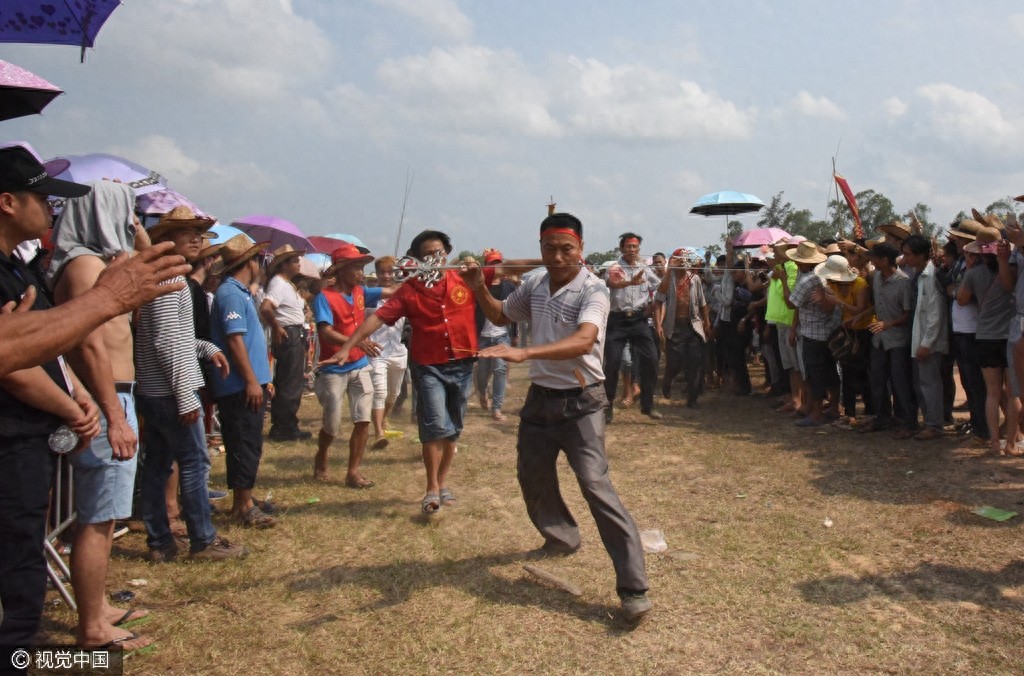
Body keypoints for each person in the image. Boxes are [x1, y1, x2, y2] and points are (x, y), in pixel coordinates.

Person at [461, 212, 652, 625]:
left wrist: (525, 353)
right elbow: (499, 316)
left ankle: (633, 588)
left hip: (582, 403)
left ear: (581, 249)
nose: (559, 255)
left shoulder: (594, 289)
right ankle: (561, 536)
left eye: (567, 248)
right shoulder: (533, 284)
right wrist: (478, 288)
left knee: (595, 484)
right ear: (541, 249)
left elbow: (584, 340)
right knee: (532, 474)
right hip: (539, 400)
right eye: (550, 248)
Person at [0, 145, 105, 656]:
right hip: (11, 438)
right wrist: (71, 408)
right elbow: (11, 361)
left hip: (31, 436)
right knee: (13, 572)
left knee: (25, 554)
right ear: (7, 202)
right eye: (42, 197)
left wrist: (77, 393)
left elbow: (50, 344)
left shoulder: (22, 271)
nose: (51, 208)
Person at [48, 181, 155, 650]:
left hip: (115, 394)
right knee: (95, 518)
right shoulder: (84, 265)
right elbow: (88, 342)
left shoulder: (99, 265)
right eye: (128, 213)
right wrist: (114, 414)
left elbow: (158, 290)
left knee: (107, 516)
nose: (134, 222)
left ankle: (98, 606)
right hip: (105, 396)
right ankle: (92, 627)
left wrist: (141, 246)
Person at [320, 230, 477, 515]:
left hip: (463, 364)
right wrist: (348, 346)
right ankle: (430, 488)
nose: (436, 258)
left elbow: (509, 268)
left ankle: (443, 484)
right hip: (428, 366)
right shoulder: (411, 290)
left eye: (440, 252)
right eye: (428, 254)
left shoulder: (465, 279)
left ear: (448, 253)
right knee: (433, 426)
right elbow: (377, 318)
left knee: (453, 430)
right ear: (418, 260)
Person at [135, 207, 247, 560]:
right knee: (195, 463)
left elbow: (173, 337)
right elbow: (167, 342)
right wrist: (185, 396)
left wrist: (206, 347)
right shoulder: (171, 280)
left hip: (156, 388)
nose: (197, 239)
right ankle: (203, 539)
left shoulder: (165, 276)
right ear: (168, 240)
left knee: (158, 464)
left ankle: (159, 542)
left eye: (199, 233)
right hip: (170, 391)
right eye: (188, 233)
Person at [312, 243, 393, 487]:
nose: (360, 271)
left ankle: (353, 472)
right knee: (332, 424)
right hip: (333, 369)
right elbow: (325, 332)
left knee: (362, 419)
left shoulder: (360, 292)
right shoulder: (324, 298)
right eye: (356, 267)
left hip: (359, 365)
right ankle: (322, 453)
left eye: (361, 266)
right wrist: (356, 342)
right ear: (341, 270)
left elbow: (391, 292)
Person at [209, 234, 276, 528]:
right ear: (250, 262)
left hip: (249, 381)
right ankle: (243, 504)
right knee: (243, 442)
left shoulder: (238, 292)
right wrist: (251, 380)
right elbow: (234, 340)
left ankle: (245, 498)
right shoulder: (231, 294)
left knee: (249, 442)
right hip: (238, 385)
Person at [958, 239, 1017, 455]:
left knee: (992, 393)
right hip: (1011, 336)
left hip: (985, 336)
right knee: (1013, 394)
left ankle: (994, 443)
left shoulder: (974, 273)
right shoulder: (1013, 270)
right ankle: (1011, 443)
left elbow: (962, 299)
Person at [603, 232, 661, 422]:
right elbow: (614, 283)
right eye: (628, 246)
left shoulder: (645, 268)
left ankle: (647, 405)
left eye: (635, 247)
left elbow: (659, 287)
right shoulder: (614, 267)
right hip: (617, 321)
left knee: (652, 359)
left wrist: (653, 306)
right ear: (621, 248)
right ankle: (608, 405)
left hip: (639, 320)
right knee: (611, 364)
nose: (632, 250)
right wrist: (631, 282)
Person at [860, 243, 916, 435]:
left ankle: (909, 422)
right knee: (877, 379)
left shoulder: (903, 281)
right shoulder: (876, 277)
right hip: (880, 338)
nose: (872, 261)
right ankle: (882, 417)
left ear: (884, 260)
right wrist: (862, 315)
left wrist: (887, 324)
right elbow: (878, 304)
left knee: (900, 382)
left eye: (875, 258)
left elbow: (907, 314)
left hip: (898, 339)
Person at [261, 244, 313, 441]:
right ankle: (285, 427)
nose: (298, 263)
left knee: (290, 381)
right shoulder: (278, 283)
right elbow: (266, 307)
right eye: (294, 260)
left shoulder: (286, 284)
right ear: (283, 265)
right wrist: (276, 326)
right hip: (289, 334)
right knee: (289, 383)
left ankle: (286, 424)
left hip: (294, 332)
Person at [786, 245, 841, 426]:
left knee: (814, 374)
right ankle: (833, 407)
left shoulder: (806, 281)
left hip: (812, 332)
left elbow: (792, 303)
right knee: (831, 372)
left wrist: (785, 282)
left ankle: (816, 413)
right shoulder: (824, 277)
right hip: (829, 331)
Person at [902, 234, 950, 440]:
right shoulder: (918, 275)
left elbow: (934, 315)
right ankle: (930, 421)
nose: (905, 259)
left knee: (930, 383)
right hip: (919, 338)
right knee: (921, 382)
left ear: (921, 256)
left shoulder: (931, 278)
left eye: (908, 254)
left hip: (928, 341)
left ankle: (934, 424)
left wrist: (926, 343)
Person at [654, 248, 710, 407]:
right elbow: (658, 301)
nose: (685, 262)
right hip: (674, 327)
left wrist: (707, 323)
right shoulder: (668, 279)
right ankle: (667, 379)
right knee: (674, 363)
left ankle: (692, 399)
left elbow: (702, 303)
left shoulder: (695, 279)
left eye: (687, 259)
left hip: (693, 326)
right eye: (681, 259)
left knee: (694, 362)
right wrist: (658, 325)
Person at [367, 255, 407, 449]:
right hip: (377, 351)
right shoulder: (372, 296)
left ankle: (384, 418)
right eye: (382, 272)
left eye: (390, 271)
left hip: (399, 351)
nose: (386, 275)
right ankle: (378, 433)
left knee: (394, 393)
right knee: (380, 392)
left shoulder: (403, 294)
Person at [475, 248, 517, 421]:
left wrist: (514, 334)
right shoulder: (478, 285)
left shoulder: (509, 287)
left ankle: (497, 408)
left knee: (500, 369)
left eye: (498, 263)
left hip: (502, 335)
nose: (496, 266)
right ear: (486, 265)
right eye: (492, 263)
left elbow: (515, 311)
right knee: (483, 373)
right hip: (483, 336)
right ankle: (483, 391)